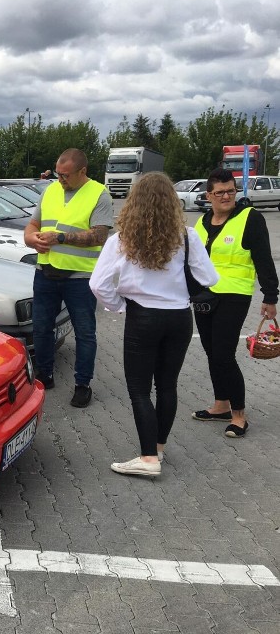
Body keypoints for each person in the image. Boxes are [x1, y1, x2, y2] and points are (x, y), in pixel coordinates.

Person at [90, 173, 219, 477]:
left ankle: (148, 458)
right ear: (173, 202)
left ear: (134, 202)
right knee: (167, 385)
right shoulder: (188, 236)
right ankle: (158, 448)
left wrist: (119, 306)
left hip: (142, 317)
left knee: (139, 389)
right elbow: (211, 279)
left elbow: (98, 285)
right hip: (179, 318)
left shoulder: (122, 240)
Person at [191, 168, 278, 438]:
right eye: (220, 192)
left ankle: (239, 415)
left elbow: (264, 258)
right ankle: (221, 405)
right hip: (203, 295)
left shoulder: (250, 218)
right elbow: (191, 260)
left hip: (234, 295)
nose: (227, 196)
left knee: (224, 354)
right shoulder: (202, 222)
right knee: (210, 351)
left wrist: (270, 296)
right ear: (209, 195)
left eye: (231, 190)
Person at [23, 148, 113, 408]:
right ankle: (45, 374)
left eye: (65, 175)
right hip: (46, 271)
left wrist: (61, 238)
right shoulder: (51, 190)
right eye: (58, 174)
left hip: (79, 277)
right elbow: (33, 225)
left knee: (85, 333)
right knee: (41, 328)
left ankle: (83, 384)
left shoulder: (98, 193)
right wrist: (30, 238)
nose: (60, 179)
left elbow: (99, 236)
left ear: (82, 171)